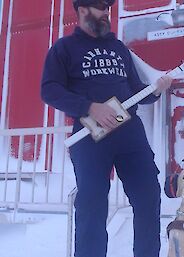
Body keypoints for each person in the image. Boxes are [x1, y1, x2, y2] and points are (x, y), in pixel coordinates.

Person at [41, 0, 173, 256]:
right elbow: (49, 90)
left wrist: (156, 90)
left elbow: (135, 90)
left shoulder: (118, 48)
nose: (106, 13)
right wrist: (90, 107)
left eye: (108, 8)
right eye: (101, 7)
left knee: (148, 196)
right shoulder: (64, 48)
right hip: (90, 137)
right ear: (82, 11)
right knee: (92, 205)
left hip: (130, 134)